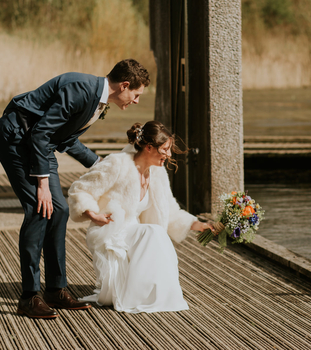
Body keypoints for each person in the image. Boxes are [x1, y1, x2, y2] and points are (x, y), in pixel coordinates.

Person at [0, 59, 150, 319]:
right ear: (124, 86)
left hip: (39, 143)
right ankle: (28, 296)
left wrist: (102, 165)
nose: (136, 101)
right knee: (39, 209)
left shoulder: (98, 100)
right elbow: (40, 134)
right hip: (17, 139)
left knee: (59, 211)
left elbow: (65, 139)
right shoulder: (81, 89)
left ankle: (55, 289)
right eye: (136, 95)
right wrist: (42, 184)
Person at [67, 121, 213, 313]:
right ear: (149, 147)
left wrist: (199, 225)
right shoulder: (117, 164)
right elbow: (80, 190)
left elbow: (169, 211)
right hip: (112, 230)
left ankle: (157, 295)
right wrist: (93, 215)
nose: (169, 155)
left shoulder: (157, 173)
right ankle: (143, 294)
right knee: (152, 232)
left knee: (154, 232)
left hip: (136, 232)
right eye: (165, 149)